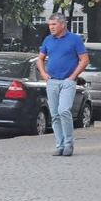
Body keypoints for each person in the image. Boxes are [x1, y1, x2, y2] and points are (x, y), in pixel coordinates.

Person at [37, 13, 89, 157]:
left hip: (67, 82)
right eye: (50, 25)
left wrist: (73, 76)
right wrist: (43, 74)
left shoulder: (74, 39)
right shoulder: (48, 40)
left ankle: (68, 144)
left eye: (54, 25)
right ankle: (59, 145)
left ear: (62, 24)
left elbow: (84, 59)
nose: (51, 27)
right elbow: (40, 59)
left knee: (64, 111)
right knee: (54, 114)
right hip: (52, 81)